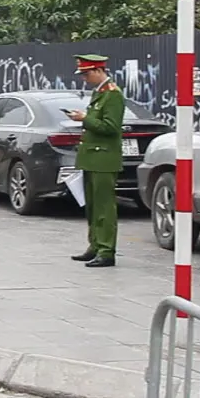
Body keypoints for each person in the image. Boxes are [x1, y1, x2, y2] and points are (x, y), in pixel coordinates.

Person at [66, 54, 125, 268]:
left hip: (104, 158)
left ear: (98, 71)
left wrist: (85, 119)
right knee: (91, 206)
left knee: (104, 207)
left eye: (86, 74)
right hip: (92, 157)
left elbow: (110, 127)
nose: (84, 78)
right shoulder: (99, 93)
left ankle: (107, 250)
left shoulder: (113, 95)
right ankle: (95, 245)